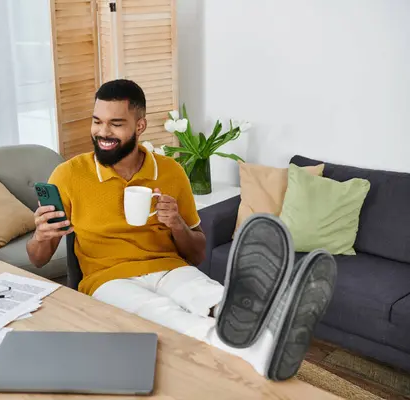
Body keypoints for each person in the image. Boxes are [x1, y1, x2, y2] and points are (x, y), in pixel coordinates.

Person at [26, 79, 336, 380]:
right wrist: (41, 236)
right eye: (97, 121)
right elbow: (39, 260)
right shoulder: (68, 175)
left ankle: (266, 320)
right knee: (169, 317)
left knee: (214, 297)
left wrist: (176, 223)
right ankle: (269, 344)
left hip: (169, 268)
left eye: (116, 123)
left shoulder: (171, 171)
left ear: (140, 126)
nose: (102, 132)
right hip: (107, 278)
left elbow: (197, 252)